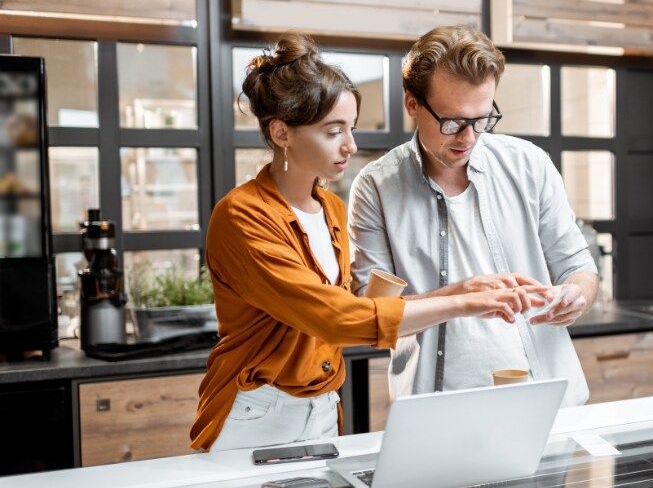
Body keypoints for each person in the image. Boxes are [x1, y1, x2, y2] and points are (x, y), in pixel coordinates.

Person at [189, 32, 541, 452]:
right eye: (333, 130)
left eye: (351, 128)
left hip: (321, 409)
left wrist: (461, 288)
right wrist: (464, 303)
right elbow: (334, 319)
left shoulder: (332, 211)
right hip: (254, 411)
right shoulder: (242, 216)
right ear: (282, 132)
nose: (351, 146)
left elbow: (361, 310)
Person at [348, 24, 601, 407]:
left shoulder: (529, 164)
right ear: (412, 104)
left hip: (546, 400)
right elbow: (371, 315)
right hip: (434, 411)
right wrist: (459, 294)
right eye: (452, 121)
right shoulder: (376, 187)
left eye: (482, 119)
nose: (468, 137)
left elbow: (579, 267)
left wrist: (576, 295)